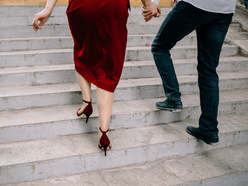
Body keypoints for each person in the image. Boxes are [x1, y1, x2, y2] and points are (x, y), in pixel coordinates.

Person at [33, 0, 158, 156]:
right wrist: (149, 4)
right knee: (109, 67)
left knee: (82, 50)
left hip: (83, 5)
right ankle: (104, 132)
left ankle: (87, 102)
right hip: (114, 6)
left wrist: (48, 9)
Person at [143, 0, 236, 144]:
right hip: (224, 10)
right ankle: (209, 129)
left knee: (159, 47)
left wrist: (153, 2)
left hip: (196, 4)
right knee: (209, 69)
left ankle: (173, 97)